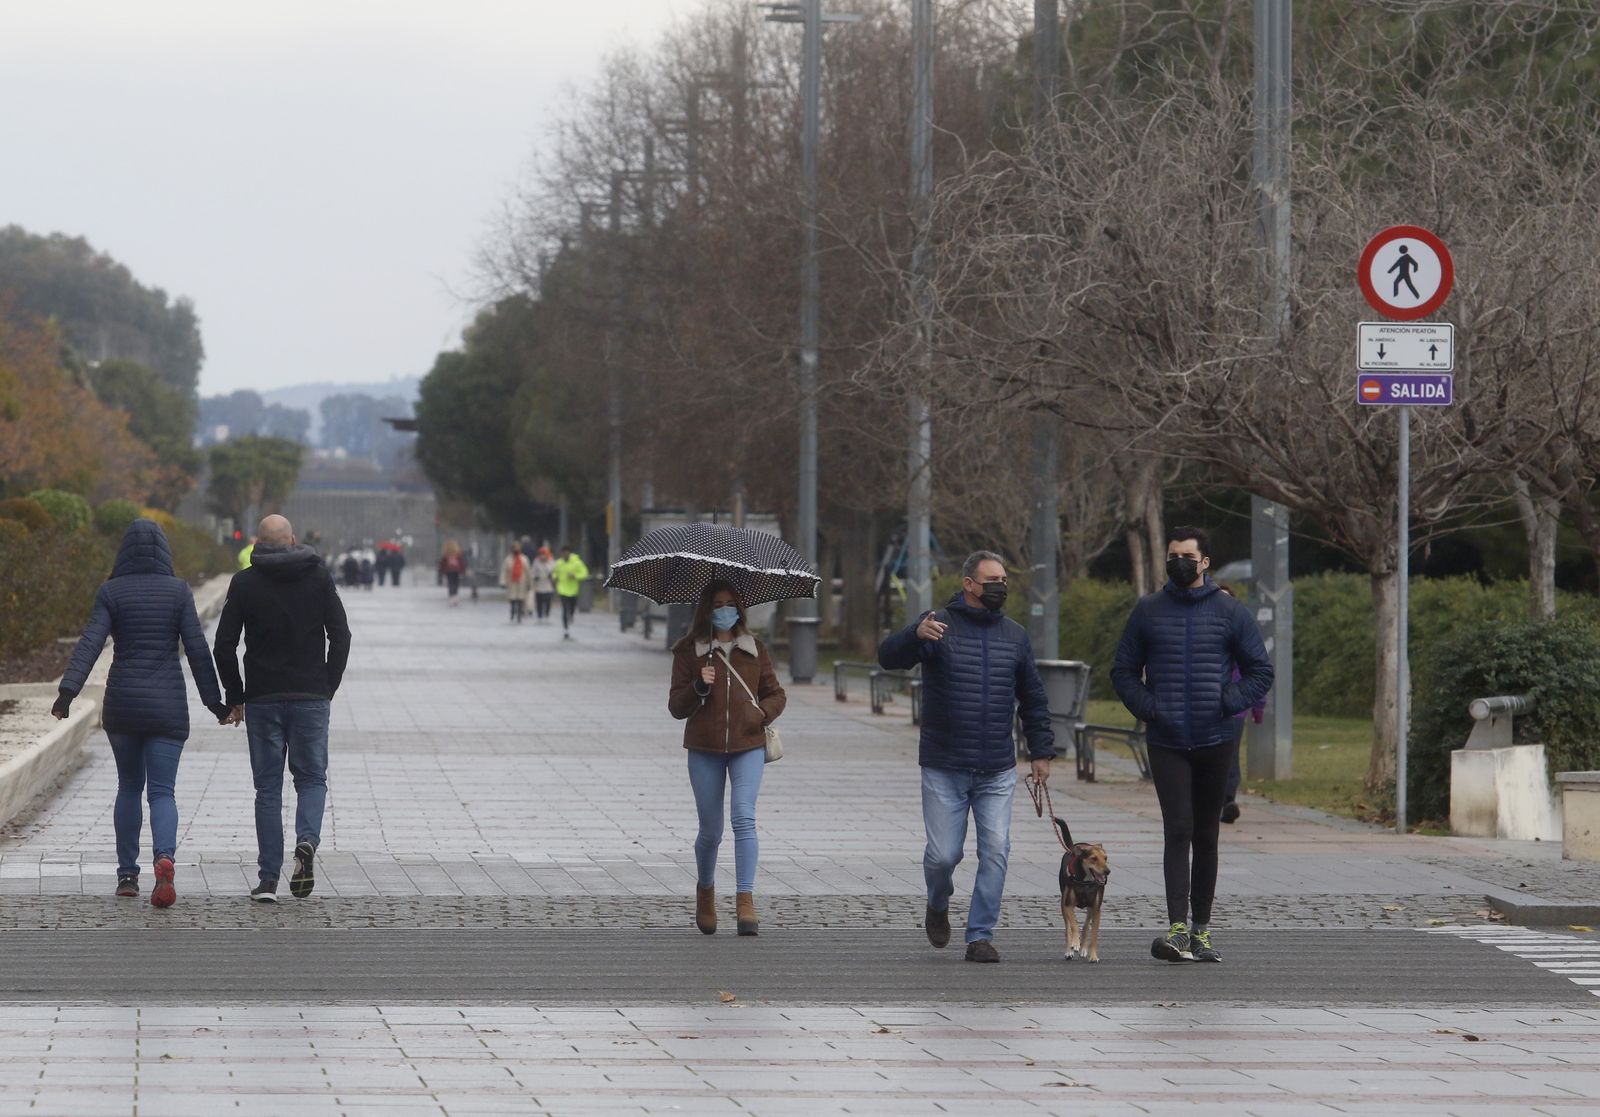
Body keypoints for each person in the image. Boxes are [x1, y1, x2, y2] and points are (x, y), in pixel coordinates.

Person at [877, 550, 1054, 964]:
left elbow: (1033, 696)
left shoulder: (1015, 635)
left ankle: (980, 935)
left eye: (1005, 580)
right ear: (969, 584)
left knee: (995, 850)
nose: (1001, 587)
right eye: (992, 579)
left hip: (997, 767)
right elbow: (888, 658)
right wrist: (913, 635)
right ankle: (938, 903)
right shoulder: (937, 626)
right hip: (945, 764)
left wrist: (1041, 750)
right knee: (943, 856)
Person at [1110, 526, 1273, 964]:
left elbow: (1260, 670)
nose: (1177, 562)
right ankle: (1177, 928)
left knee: (1206, 834)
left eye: (1186, 555)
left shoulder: (1229, 611)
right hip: (1166, 740)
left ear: (1204, 562)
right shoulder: (1148, 611)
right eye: (1172, 555)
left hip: (1215, 738)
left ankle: (1202, 930)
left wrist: (1227, 702)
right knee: (1177, 829)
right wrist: (1150, 707)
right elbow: (1123, 670)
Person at [53, 519, 233, 907]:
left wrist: (67, 693)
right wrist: (215, 703)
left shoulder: (111, 591)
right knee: (163, 791)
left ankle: (127, 874)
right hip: (167, 705)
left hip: (124, 706)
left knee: (129, 788)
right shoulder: (178, 591)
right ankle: (164, 858)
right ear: (165, 551)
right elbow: (198, 650)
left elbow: (90, 643)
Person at [213, 514, 351, 903]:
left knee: (267, 788)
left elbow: (224, 645)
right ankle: (306, 843)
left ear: (257, 542)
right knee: (310, 779)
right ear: (293, 540)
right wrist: (327, 686)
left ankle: (268, 879)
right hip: (310, 696)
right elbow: (341, 636)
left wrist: (235, 696)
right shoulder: (319, 577)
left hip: (263, 699)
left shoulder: (244, 583)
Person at [667, 580, 786, 936]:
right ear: (706, 610)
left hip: (747, 745)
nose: (724, 610)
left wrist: (761, 714)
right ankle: (705, 891)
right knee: (711, 831)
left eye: (730, 603)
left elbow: (777, 694)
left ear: (740, 609)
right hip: (704, 748)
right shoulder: (689, 651)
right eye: (717, 604)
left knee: (744, 818)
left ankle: (745, 900)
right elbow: (676, 707)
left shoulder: (755, 650)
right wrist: (699, 686)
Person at [1215, 583, 1267, 825]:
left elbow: (1256, 672)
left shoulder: (1242, 632)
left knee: (1230, 755)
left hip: (1234, 708)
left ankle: (1227, 801)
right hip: (1204, 706)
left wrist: (1257, 707)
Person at [552, 545, 589, 641]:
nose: (564, 554)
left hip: (573, 590)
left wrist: (575, 576)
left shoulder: (577, 562)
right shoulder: (559, 563)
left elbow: (584, 573)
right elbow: (554, 572)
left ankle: (571, 615)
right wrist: (555, 577)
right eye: (563, 553)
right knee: (564, 609)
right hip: (562, 589)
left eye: (566, 552)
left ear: (569, 553)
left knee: (571, 608)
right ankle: (566, 630)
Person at [499, 542, 534, 623]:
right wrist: (503, 582)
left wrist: (529, 583)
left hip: (522, 582)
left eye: (518, 548)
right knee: (512, 599)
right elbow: (504, 571)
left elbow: (528, 571)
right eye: (515, 548)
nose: (516, 549)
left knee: (520, 599)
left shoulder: (524, 559)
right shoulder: (508, 559)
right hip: (511, 582)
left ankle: (519, 614)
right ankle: (512, 611)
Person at [529, 545, 556, 623]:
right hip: (539, 585)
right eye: (540, 554)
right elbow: (533, 571)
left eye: (543, 554)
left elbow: (554, 572)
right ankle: (539, 615)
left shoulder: (551, 561)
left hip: (548, 585)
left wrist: (550, 574)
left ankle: (547, 615)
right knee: (539, 601)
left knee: (547, 601)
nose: (542, 556)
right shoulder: (536, 561)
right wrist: (534, 577)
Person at [439, 541, 466, 606]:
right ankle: (455, 598)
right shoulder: (458, 554)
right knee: (456, 583)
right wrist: (463, 571)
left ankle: (451, 598)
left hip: (448, 571)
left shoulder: (446, 555)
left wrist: (441, 571)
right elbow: (462, 563)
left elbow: (443, 564)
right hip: (456, 571)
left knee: (450, 583)